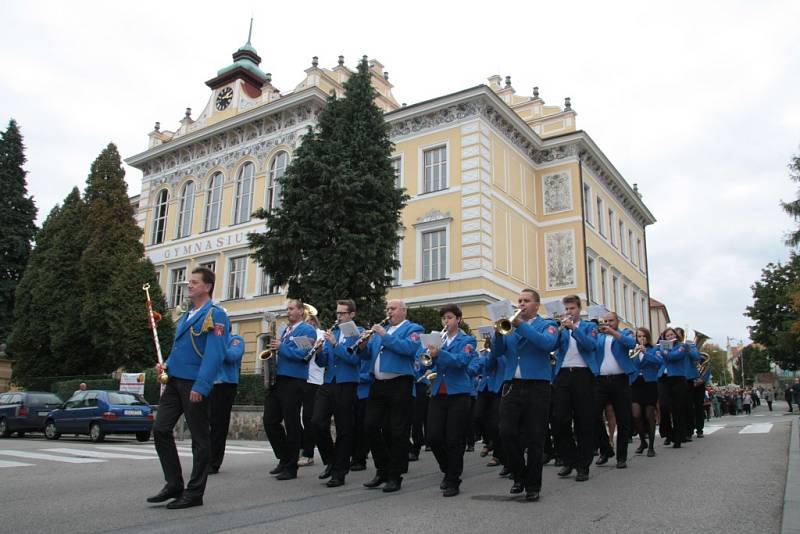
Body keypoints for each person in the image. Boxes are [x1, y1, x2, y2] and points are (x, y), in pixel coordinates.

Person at [148, 266, 227, 509]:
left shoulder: (216, 314)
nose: (188, 285)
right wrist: (167, 365)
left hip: (194, 383)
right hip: (174, 381)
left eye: (193, 282)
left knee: (200, 440)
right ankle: (174, 483)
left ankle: (195, 493)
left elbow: (215, 354)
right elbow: (179, 349)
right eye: (188, 282)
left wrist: (202, 385)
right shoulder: (188, 314)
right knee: (160, 429)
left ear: (207, 286)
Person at [492, 289, 559, 502]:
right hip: (512, 384)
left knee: (535, 437)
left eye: (526, 301)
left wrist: (520, 325)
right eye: (519, 301)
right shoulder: (510, 327)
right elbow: (497, 353)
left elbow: (546, 344)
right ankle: (519, 474)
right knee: (506, 432)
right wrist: (498, 333)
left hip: (537, 385)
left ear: (536, 305)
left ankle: (532, 484)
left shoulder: (548, 325)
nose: (521, 304)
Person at [360, 300, 423, 493]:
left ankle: (395, 476)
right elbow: (369, 356)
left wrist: (384, 335)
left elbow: (408, 349)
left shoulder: (413, 328)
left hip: (400, 384)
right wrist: (363, 346)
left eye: (393, 309)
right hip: (378, 384)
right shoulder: (383, 331)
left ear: (404, 311)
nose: (389, 312)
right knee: (370, 426)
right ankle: (382, 469)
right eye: (387, 308)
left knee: (397, 432)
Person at [424, 304, 477, 497]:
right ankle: (448, 469)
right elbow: (427, 362)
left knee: (454, 439)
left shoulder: (468, 339)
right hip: (439, 391)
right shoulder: (439, 339)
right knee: (433, 437)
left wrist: (440, 353)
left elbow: (461, 361)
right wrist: (428, 356)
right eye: (444, 318)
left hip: (459, 393)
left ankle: (454, 479)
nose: (446, 321)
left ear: (458, 319)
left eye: (449, 318)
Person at [263, 299, 317, 480]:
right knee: (270, 420)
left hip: (294, 381)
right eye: (287, 308)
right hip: (279, 379)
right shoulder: (286, 330)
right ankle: (284, 457)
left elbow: (303, 355)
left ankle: (291, 466)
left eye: (292, 308)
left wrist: (282, 346)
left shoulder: (306, 330)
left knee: (292, 423)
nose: (288, 311)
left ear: (301, 311)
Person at [312, 300, 363, 487]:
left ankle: (339, 472)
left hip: (346, 383)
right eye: (337, 313)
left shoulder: (357, 332)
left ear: (352, 314)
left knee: (344, 429)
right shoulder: (333, 332)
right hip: (329, 382)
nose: (338, 316)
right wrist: (318, 352)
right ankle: (331, 460)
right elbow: (322, 362)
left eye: (342, 313)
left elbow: (354, 359)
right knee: (316, 422)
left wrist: (335, 345)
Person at [552, 295, 599, 482]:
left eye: (572, 309)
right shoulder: (561, 329)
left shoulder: (589, 327)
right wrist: (558, 330)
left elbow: (591, 346)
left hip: (583, 374)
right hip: (563, 374)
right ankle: (569, 458)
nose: (568, 312)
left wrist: (574, 330)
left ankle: (583, 465)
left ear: (579, 309)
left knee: (584, 421)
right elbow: (551, 346)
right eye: (566, 309)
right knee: (559, 420)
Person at [593, 312, 637, 468]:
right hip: (601, 380)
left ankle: (621, 456)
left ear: (617, 321)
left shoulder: (624, 333)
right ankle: (605, 449)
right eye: (605, 321)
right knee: (593, 415)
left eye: (611, 320)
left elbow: (632, 344)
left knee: (623, 418)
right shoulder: (599, 336)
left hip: (620, 379)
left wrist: (613, 332)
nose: (607, 323)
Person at [209, 326, 245, 474]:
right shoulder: (211, 342)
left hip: (225, 386)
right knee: (206, 424)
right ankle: (204, 459)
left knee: (219, 425)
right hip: (209, 385)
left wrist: (218, 344)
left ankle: (214, 462)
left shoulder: (236, 340)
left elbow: (232, 356)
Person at [299, 313, 325, 468]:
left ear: (315, 322)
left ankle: (308, 454)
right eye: (306, 321)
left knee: (309, 418)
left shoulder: (320, 334)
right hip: (301, 378)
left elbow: (322, 358)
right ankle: (302, 448)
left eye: (311, 321)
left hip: (314, 380)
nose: (308, 323)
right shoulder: (302, 334)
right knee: (300, 418)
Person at [656, 327, 691, 448]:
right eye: (667, 336)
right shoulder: (660, 347)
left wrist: (663, 350)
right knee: (664, 406)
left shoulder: (683, 346)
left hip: (677, 379)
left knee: (678, 408)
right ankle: (668, 433)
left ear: (675, 335)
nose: (670, 337)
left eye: (672, 335)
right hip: (663, 378)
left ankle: (678, 437)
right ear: (664, 338)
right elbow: (657, 358)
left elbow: (673, 357)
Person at [631, 327, 661, 457]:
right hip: (636, 383)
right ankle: (643, 441)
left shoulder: (654, 349)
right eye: (639, 336)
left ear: (647, 337)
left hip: (650, 383)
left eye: (643, 336)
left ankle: (651, 446)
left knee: (649, 414)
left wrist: (646, 353)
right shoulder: (632, 349)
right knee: (636, 414)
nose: (641, 339)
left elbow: (659, 362)